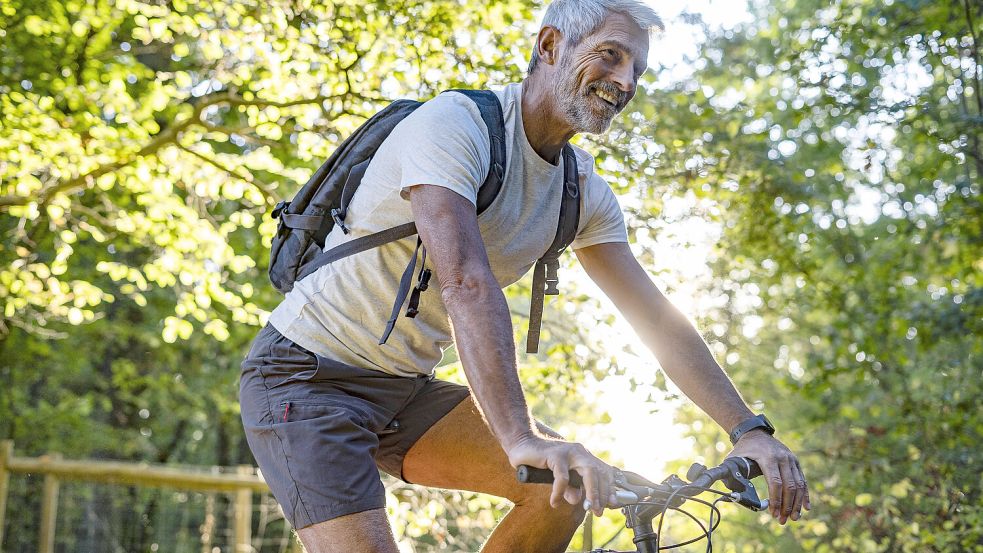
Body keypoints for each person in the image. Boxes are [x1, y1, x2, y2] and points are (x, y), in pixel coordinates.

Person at [239, 1, 810, 551]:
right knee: (540, 463)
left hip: (403, 391)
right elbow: (465, 280)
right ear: (550, 45)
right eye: (610, 54)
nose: (625, 80)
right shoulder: (455, 125)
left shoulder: (580, 191)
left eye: (637, 68)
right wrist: (520, 439)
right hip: (304, 380)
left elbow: (655, 318)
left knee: (564, 490)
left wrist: (747, 428)